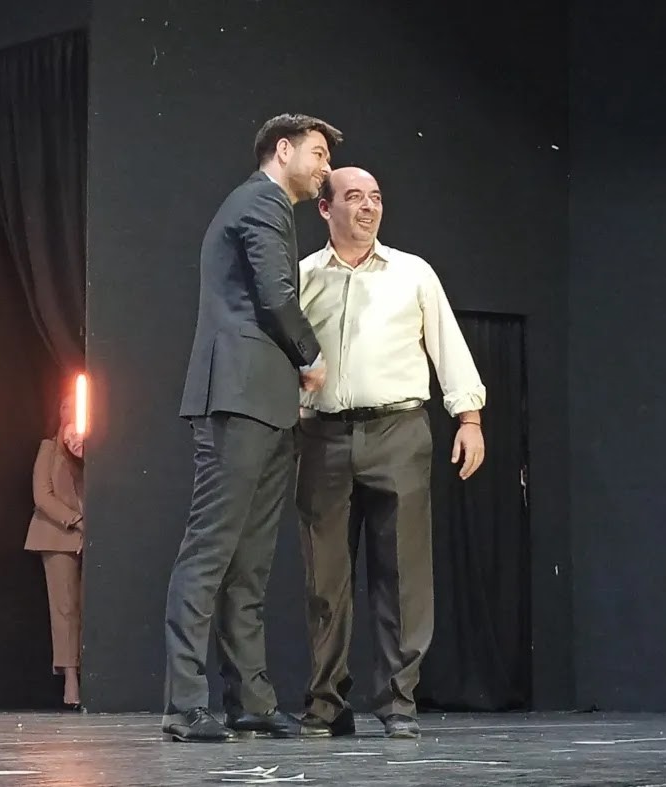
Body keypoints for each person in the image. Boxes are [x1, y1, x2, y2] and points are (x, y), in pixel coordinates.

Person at [162, 113, 342, 743]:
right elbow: (273, 293)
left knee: (252, 562)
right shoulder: (261, 203)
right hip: (237, 399)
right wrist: (311, 355)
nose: (324, 168)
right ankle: (185, 703)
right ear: (282, 150)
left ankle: (251, 700)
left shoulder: (271, 208)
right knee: (210, 550)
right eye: (318, 155)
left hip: (266, 405)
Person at [295, 167, 487, 739]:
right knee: (325, 578)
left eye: (376, 198)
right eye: (354, 197)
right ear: (325, 208)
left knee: (403, 574)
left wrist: (469, 418)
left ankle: (399, 702)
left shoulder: (412, 272)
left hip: (398, 431)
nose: (368, 207)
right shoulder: (303, 276)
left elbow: (448, 344)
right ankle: (326, 703)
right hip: (322, 435)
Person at [25, 393, 86, 709]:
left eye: (75, 405)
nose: (69, 409)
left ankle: (90, 673)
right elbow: (42, 496)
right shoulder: (49, 449)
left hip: (90, 538)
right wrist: (75, 520)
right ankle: (70, 678)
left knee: (86, 608)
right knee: (64, 608)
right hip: (58, 535)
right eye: (64, 405)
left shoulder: (88, 448)